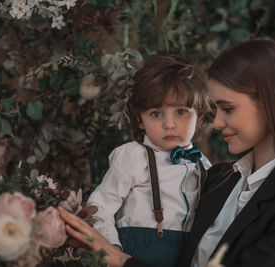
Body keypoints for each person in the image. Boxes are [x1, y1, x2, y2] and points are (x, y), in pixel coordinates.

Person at [60, 39, 275, 267]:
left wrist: (120, 261)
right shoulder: (217, 178)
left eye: (228, 109)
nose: (218, 122)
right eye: (215, 108)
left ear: (270, 104)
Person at [84, 55, 212, 267]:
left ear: (198, 115)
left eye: (181, 112)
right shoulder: (133, 156)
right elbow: (100, 206)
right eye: (156, 114)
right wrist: (112, 248)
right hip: (136, 253)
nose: (169, 124)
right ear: (139, 121)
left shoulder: (204, 166)